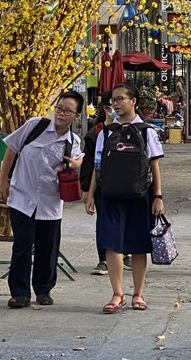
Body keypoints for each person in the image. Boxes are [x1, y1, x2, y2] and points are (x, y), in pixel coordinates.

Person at [0, 90, 84, 308]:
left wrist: (74, 164)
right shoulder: (35, 126)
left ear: (77, 116)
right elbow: (11, 149)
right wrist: (2, 181)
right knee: (22, 246)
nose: (61, 114)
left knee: (48, 248)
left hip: (50, 202)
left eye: (67, 111)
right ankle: (19, 292)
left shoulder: (72, 141)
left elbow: (78, 159)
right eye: (59, 108)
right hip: (22, 196)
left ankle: (43, 290)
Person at [84, 83, 164, 313]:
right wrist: (91, 194)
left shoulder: (147, 131)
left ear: (133, 101)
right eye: (113, 100)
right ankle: (117, 293)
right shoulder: (105, 132)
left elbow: (154, 166)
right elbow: (98, 166)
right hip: (110, 195)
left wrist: (158, 197)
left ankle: (138, 293)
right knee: (111, 244)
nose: (116, 104)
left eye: (120, 99)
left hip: (140, 195)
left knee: (139, 245)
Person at [80, 94, 116, 276]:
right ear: (106, 108)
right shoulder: (96, 134)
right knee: (104, 222)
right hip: (102, 186)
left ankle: (123, 253)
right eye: (114, 102)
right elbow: (90, 164)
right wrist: (87, 189)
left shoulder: (134, 130)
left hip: (129, 186)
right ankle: (104, 258)